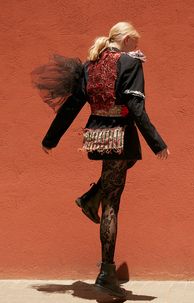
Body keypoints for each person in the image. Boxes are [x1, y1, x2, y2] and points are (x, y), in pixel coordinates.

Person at [34, 22, 170, 298]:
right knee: (112, 204)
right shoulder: (130, 63)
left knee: (115, 181)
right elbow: (135, 106)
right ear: (127, 38)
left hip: (97, 136)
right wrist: (157, 142)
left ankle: (90, 198)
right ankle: (106, 272)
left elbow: (73, 105)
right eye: (135, 42)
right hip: (120, 136)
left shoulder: (90, 64)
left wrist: (51, 138)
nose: (136, 47)